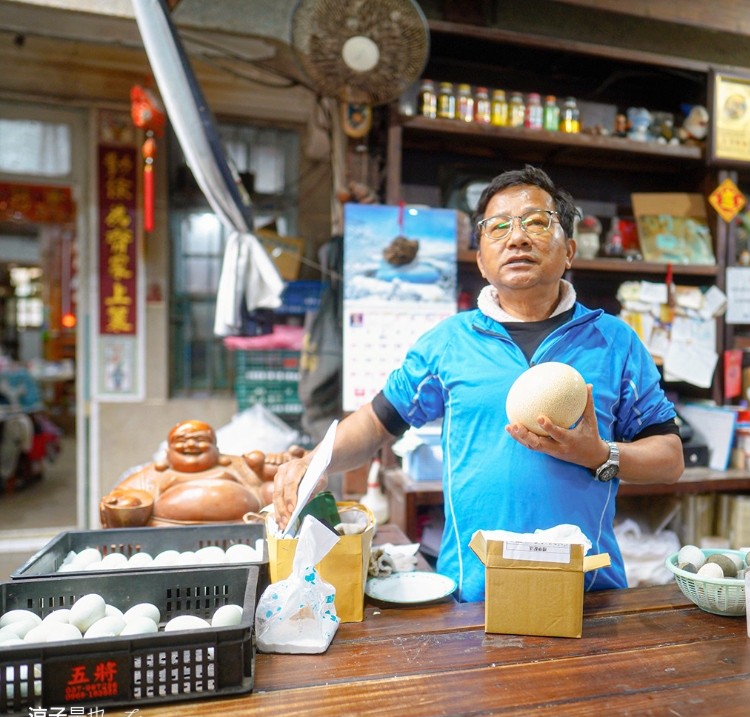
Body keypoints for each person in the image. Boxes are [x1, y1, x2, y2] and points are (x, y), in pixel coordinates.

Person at [273, 164, 684, 601]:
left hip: (587, 592)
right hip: (475, 595)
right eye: (497, 227)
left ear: (569, 251)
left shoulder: (614, 341)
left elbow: (670, 458)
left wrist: (600, 454)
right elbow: (376, 423)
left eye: (537, 222)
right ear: (482, 261)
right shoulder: (448, 342)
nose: (518, 237)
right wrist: (311, 464)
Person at [101, 419, 304, 527]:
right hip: (167, 534)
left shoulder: (232, 464)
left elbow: (266, 473)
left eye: (200, 440)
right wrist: (124, 501)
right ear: (168, 451)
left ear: (216, 447)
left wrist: (281, 461)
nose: (191, 444)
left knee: (274, 489)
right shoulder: (155, 473)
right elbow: (124, 493)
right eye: (182, 440)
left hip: (245, 527)